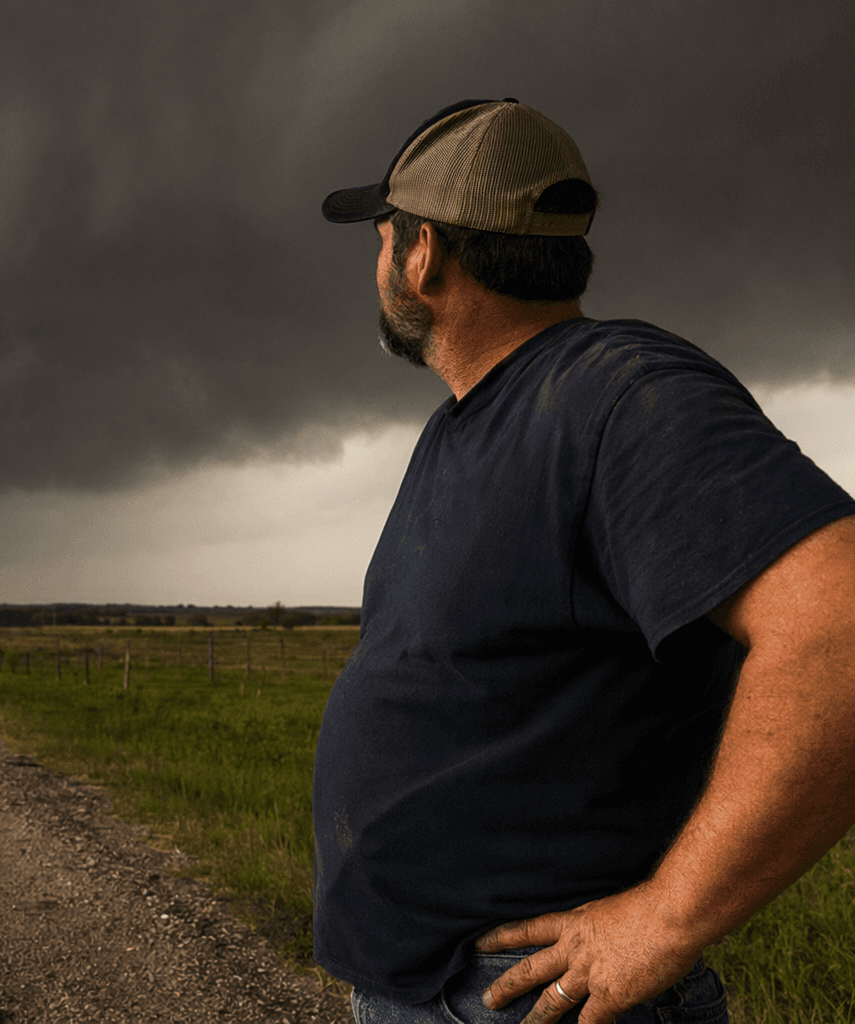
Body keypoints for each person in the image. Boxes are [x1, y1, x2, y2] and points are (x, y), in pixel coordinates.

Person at [311, 98, 855, 1024]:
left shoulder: (619, 394)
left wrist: (666, 919)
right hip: (434, 993)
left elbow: (840, 625)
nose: (380, 264)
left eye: (384, 236)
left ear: (422, 253)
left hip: (528, 1001)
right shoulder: (478, 418)